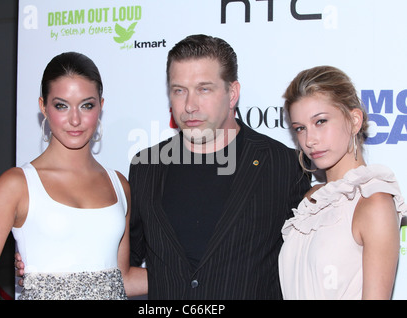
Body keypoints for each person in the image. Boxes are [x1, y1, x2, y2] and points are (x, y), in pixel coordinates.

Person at [127, 34, 311, 299]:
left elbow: (305, 268)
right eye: (179, 90)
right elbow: (124, 266)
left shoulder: (283, 165)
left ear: (232, 93)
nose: (189, 106)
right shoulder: (146, 166)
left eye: (204, 89)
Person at [0, 52, 146, 300]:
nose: (75, 119)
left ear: (101, 105)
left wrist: (199, 276)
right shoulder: (17, 184)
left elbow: (122, 279)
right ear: (43, 107)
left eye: (86, 105)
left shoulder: (119, 185)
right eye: (62, 105)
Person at [278, 65, 407, 299]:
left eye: (320, 122)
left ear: (354, 119)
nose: (310, 140)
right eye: (300, 128)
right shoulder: (311, 200)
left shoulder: (373, 202)